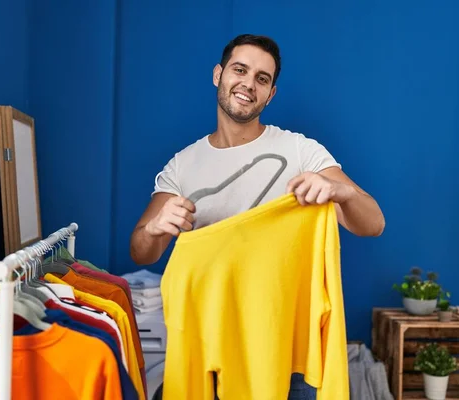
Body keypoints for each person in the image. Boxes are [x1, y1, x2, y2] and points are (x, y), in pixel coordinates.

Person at [130, 34, 385, 399]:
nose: (249, 83)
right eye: (240, 70)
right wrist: (155, 227)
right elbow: (141, 251)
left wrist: (341, 191)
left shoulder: (300, 151)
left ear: (271, 94)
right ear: (218, 74)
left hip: (284, 350)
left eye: (262, 79)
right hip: (212, 347)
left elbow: (374, 223)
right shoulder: (183, 166)